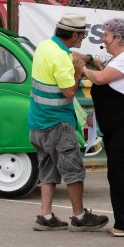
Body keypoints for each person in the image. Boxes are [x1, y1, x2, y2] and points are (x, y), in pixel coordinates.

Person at [29, 14, 109, 232]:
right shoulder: (63, 60)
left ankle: (45, 215)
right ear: (74, 34)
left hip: (37, 123)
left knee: (48, 169)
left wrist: (90, 59)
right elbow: (69, 93)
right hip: (58, 124)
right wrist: (77, 73)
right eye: (82, 34)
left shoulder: (45, 47)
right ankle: (80, 216)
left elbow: (71, 53)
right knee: (73, 170)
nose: (82, 37)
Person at [79, 18, 124, 237]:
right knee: (118, 172)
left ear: (118, 38)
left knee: (121, 172)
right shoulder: (118, 59)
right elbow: (103, 72)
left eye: (106, 35)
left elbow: (100, 78)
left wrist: (81, 67)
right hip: (120, 125)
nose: (103, 39)